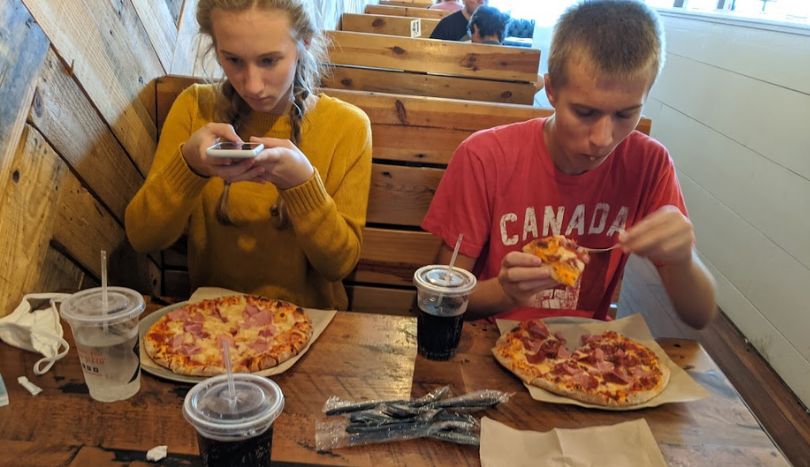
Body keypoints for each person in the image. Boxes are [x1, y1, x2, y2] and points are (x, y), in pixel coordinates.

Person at [422, 0, 717, 328]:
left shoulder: (649, 164)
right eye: (585, 113)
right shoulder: (485, 157)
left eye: (625, 114)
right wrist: (505, 292)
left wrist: (682, 260)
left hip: (588, 359)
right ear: (550, 91)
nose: (603, 139)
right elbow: (439, 299)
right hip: (488, 344)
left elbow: (698, 316)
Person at [125, 0, 372, 310]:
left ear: (304, 44)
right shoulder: (194, 108)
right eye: (233, 60)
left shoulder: (347, 127)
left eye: (269, 61)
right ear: (215, 48)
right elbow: (143, 238)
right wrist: (190, 166)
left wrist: (303, 185)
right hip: (210, 326)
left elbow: (339, 265)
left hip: (309, 327)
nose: (253, 86)